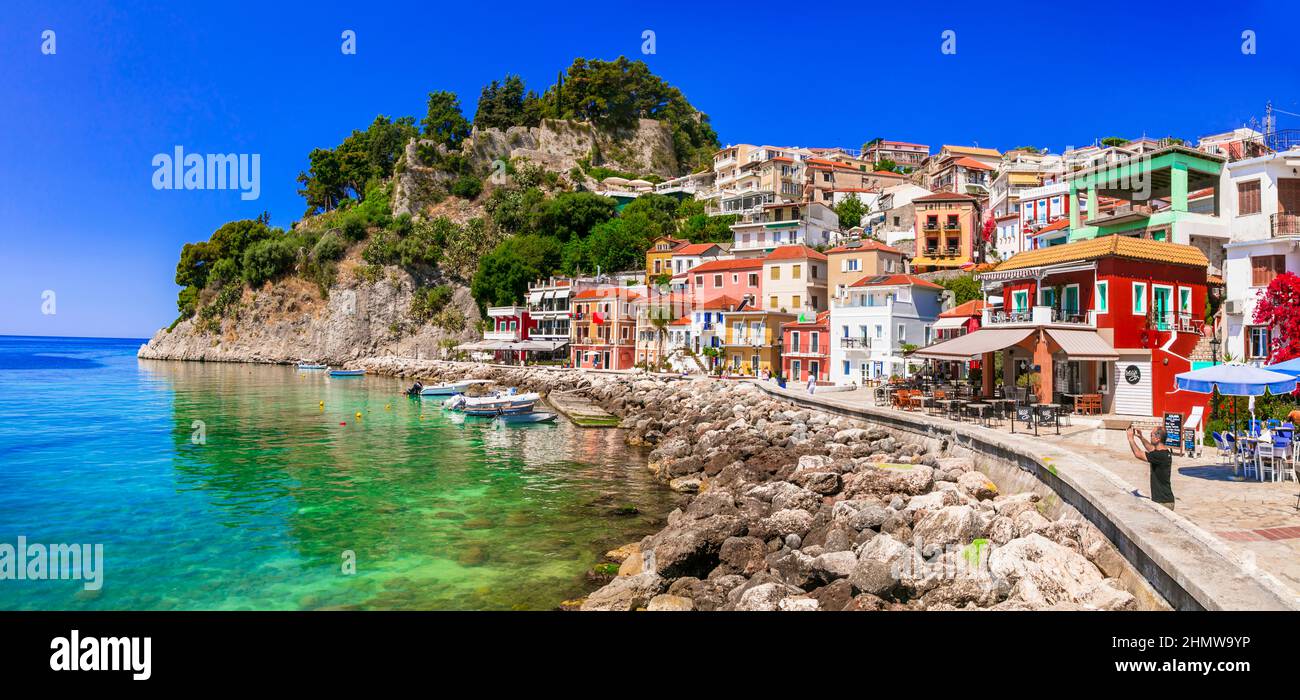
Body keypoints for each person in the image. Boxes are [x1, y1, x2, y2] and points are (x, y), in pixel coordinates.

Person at [1127, 425, 1175, 510]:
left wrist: (1131, 439)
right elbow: (1151, 448)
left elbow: (1138, 454)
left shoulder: (1159, 455)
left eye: (1151, 435)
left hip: (1163, 502)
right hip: (1166, 500)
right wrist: (1141, 437)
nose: (1150, 437)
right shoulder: (1164, 452)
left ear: (1157, 439)